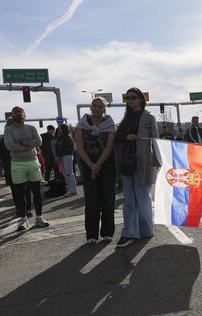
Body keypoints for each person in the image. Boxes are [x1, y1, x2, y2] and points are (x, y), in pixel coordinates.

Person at [115, 87, 159, 248]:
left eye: (133, 97)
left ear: (141, 99)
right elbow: (117, 137)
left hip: (144, 161)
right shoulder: (125, 119)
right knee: (129, 199)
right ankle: (129, 233)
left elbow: (156, 140)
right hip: (127, 162)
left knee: (143, 197)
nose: (130, 100)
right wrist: (127, 136)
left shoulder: (149, 117)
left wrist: (158, 163)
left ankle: (146, 229)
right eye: (128, 98)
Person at [75, 97, 116, 246]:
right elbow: (79, 147)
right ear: (90, 107)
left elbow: (110, 146)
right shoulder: (81, 125)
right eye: (95, 106)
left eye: (100, 106)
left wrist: (98, 164)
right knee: (92, 201)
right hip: (88, 164)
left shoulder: (109, 124)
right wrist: (91, 165)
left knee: (108, 199)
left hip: (107, 164)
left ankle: (107, 232)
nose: (97, 108)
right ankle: (91, 235)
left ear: (104, 109)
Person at [4, 106, 50, 231]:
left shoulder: (31, 128)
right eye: (15, 113)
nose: (18, 115)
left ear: (24, 115)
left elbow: (39, 141)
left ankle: (39, 217)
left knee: (37, 192)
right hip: (17, 164)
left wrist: (23, 144)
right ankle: (23, 219)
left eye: (21, 112)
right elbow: (10, 146)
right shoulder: (8, 130)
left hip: (32, 162)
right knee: (20, 193)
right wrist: (27, 146)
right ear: (12, 116)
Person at [55, 123, 78, 195]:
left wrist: (59, 156)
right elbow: (58, 148)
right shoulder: (60, 138)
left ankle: (73, 190)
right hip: (62, 158)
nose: (59, 129)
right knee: (65, 174)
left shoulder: (68, 137)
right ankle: (70, 189)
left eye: (60, 128)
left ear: (64, 129)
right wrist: (58, 156)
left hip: (67, 156)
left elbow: (68, 149)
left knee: (69, 173)